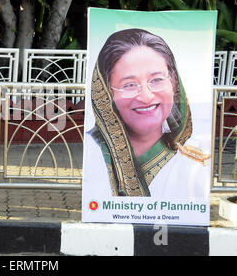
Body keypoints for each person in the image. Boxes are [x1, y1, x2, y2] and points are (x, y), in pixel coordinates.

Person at [85, 28, 210, 197]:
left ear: (173, 82)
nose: (146, 96)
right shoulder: (93, 154)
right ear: (106, 92)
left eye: (157, 80)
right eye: (129, 84)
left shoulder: (195, 159)